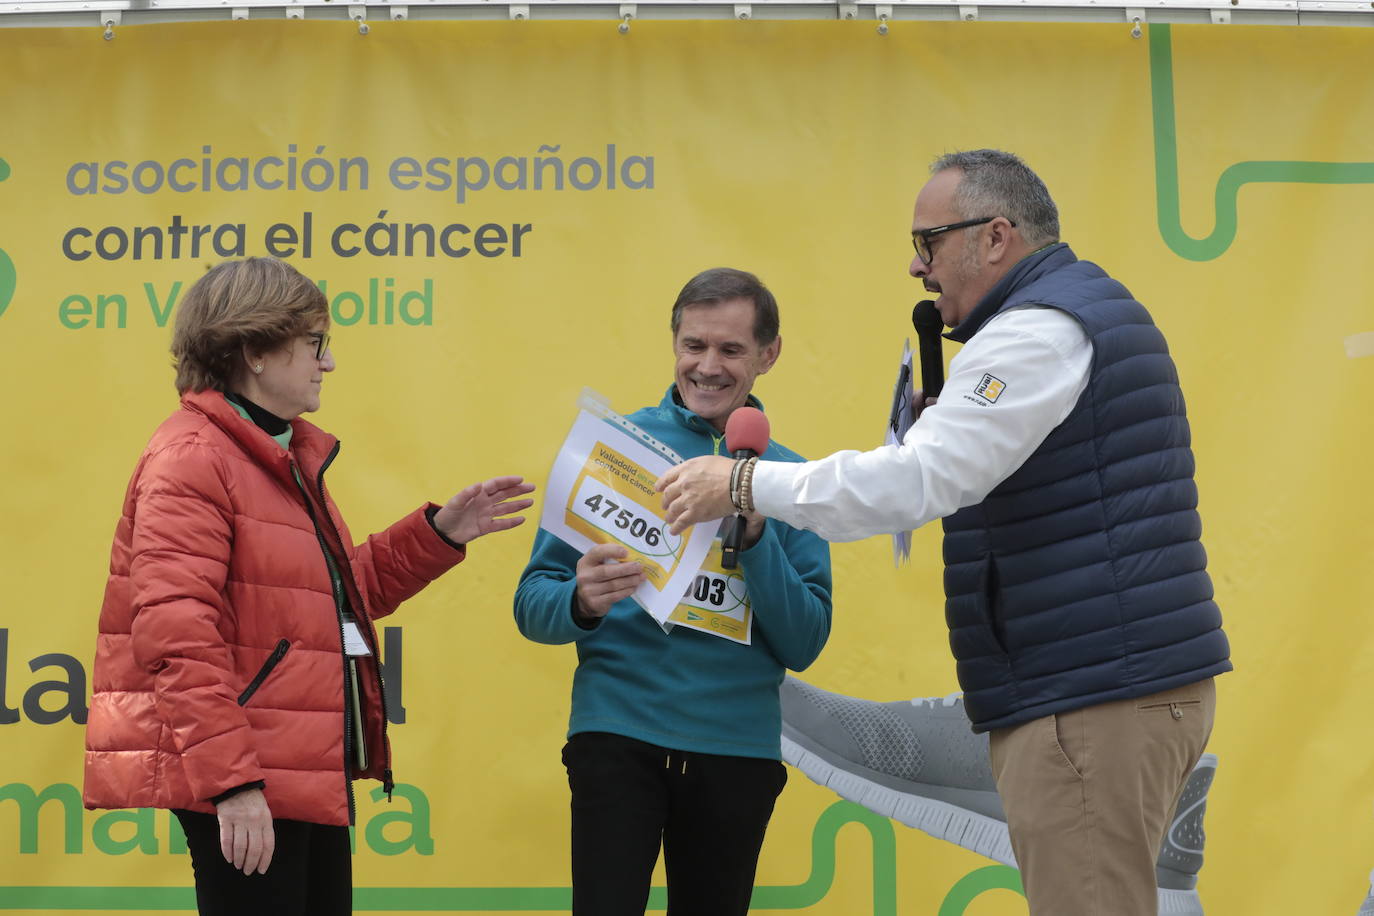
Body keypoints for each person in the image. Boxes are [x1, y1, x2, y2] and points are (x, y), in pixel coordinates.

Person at [658, 150, 1232, 916]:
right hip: (1108, 684)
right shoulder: (1077, 310)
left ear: (994, 237)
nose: (915, 266)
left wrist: (740, 482)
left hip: (1092, 696)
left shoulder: (1037, 333)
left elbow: (916, 482)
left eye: (928, 243)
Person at [82, 257, 535, 915]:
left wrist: (440, 532)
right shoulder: (193, 459)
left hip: (296, 766)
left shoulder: (274, 455)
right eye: (316, 345)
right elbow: (176, 637)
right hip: (251, 772)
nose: (328, 364)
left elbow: (338, 598)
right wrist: (234, 785)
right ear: (258, 350)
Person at [514, 267, 833, 916]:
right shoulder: (614, 451)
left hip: (736, 749)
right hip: (617, 735)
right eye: (694, 345)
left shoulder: (792, 479)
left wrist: (756, 531)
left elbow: (804, 642)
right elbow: (533, 605)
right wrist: (581, 599)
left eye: (731, 350)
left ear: (768, 355)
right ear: (674, 345)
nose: (708, 366)